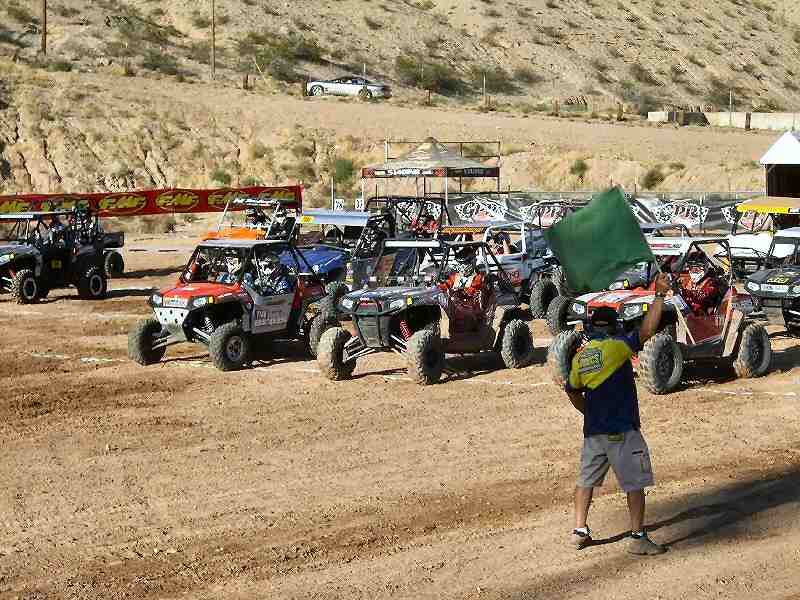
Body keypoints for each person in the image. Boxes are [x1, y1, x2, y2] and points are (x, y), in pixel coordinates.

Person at [565, 272, 671, 556]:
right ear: (614, 328)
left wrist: (587, 412)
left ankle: (579, 530)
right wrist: (659, 295)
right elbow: (647, 331)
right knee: (634, 483)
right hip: (622, 430)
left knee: (586, 480)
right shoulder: (617, 348)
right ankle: (637, 536)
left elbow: (572, 390)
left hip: (594, 432)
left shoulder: (581, 357)